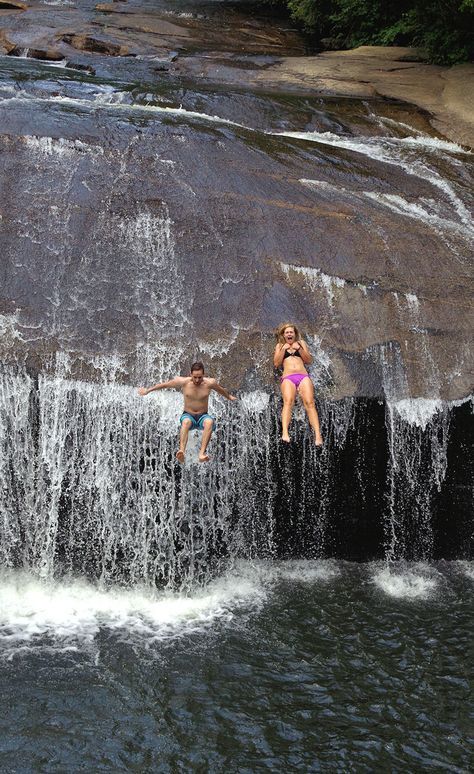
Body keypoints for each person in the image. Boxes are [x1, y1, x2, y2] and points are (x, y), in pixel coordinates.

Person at [138, 361, 237, 463]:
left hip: (203, 416)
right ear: (190, 374)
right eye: (195, 377)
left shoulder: (210, 383)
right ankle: (181, 451)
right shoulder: (183, 382)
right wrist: (148, 390)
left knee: (209, 422)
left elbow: (220, 389)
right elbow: (166, 385)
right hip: (188, 415)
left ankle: (201, 454)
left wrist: (229, 397)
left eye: (200, 377)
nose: (197, 380)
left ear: (203, 374)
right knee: (186, 422)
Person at [273, 322, 323, 446]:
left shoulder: (302, 344)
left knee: (310, 403)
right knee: (288, 402)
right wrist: (283, 349)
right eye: (287, 332)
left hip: (303, 376)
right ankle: (285, 432)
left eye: (291, 332)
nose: (289, 334)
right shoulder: (280, 346)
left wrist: (299, 349)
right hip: (288, 377)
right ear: (283, 335)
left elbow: (309, 360)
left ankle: (318, 435)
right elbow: (276, 363)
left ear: (295, 334)